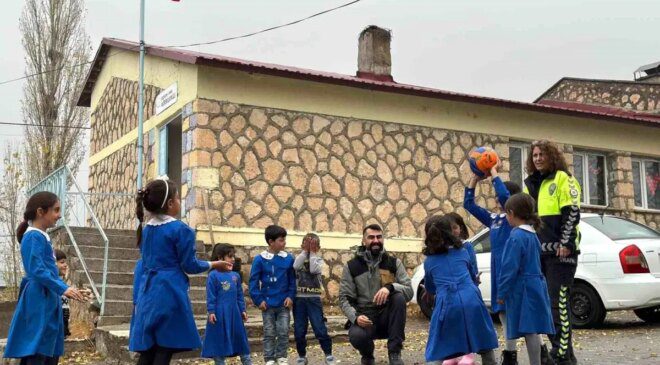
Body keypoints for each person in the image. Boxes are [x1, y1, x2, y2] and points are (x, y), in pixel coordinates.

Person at [129, 178, 230, 365]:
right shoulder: (181, 230)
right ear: (169, 204)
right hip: (169, 291)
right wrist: (214, 264)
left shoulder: (147, 229)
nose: (179, 202)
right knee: (164, 348)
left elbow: (143, 263)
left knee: (149, 350)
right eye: (177, 198)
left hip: (147, 291)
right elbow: (189, 265)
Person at [463, 162, 538, 365]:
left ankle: (540, 353)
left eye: (500, 199)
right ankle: (510, 354)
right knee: (503, 313)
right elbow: (469, 205)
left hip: (513, 272)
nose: (497, 202)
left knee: (523, 317)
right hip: (499, 272)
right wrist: (474, 180)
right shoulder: (495, 219)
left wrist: (494, 174)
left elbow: (506, 198)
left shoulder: (514, 220)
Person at [3, 191, 85, 365]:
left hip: (47, 296)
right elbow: (37, 270)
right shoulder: (33, 236)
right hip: (38, 298)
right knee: (37, 347)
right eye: (55, 210)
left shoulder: (41, 236)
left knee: (48, 347)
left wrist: (66, 288)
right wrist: (63, 288)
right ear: (41, 212)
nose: (59, 215)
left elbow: (47, 269)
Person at [524, 140, 581, 365]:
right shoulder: (532, 184)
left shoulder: (563, 179)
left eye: (541, 154)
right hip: (541, 253)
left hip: (562, 253)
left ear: (551, 156)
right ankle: (567, 357)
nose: (537, 158)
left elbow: (572, 212)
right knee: (546, 306)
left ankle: (560, 355)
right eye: (534, 155)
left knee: (559, 304)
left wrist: (565, 242)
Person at [422, 215, 498, 365]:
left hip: (447, 305)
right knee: (484, 342)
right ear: (451, 233)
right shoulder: (463, 252)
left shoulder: (429, 262)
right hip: (472, 300)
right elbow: (471, 276)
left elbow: (430, 287)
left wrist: (429, 292)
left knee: (439, 347)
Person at [338, 224, 413, 365]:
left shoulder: (394, 263)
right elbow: (344, 298)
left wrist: (390, 287)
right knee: (356, 336)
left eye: (379, 237)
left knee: (398, 297)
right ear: (363, 241)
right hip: (365, 316)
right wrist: (356, 317)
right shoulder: (351, 266)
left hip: (387, 316)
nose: (376, 240)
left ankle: (395, 353)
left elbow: (409, 291)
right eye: (371, 237)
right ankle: (367, 355)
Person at [497, 193, 555, 365]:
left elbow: (509, 268)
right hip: (536, 285)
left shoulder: (516, 237)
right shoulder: (533, 235)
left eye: (507, 213)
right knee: (533, 330)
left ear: (512, 213)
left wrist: (501, 293)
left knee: (530, 330)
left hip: (523, 289)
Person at [248, 225, 296, 365]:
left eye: (284, 239)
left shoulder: (288, 259)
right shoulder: (260, 260)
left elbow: (292, 281)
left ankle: (282, 356)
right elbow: (253, 282)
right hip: (267, 304)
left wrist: (290, 297)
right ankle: (269, 358)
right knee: (269, 332)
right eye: (281, 240)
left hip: (284, 304)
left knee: (283, 330)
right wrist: (258, 300)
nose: (284, 243)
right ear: (271, 242)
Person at [202, 243, 252, 365]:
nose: (233, 259)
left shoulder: (235, 276)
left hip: (234, 314)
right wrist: (211, 312)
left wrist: (243, 310)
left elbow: (239, 295)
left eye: (233, 256)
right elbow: (211, 296)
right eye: (230, 256)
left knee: (241, 341)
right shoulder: (213, 276)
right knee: (219, 342)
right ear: (220, 258)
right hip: (219, 315)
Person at [292, 233, 336, 365]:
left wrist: (312, 252)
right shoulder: (298, 258)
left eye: (313, 244)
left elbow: (312, 269)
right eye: (307, 243)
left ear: (318, 247)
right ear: (302, 245)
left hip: (313, 299)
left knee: (319, 328)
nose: (310, 246)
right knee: (299, 330)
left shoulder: (318, 259)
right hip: (299, 299)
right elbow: (295, 266)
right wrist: (305, 251)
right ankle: (301, 356)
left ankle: (328, 354)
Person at [54, 249, 72, 338]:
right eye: (62, 262)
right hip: (56, 323)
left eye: (66, 262)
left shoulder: (61, 282)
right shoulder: (52, 283)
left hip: (64, 322)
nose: (65, 265)